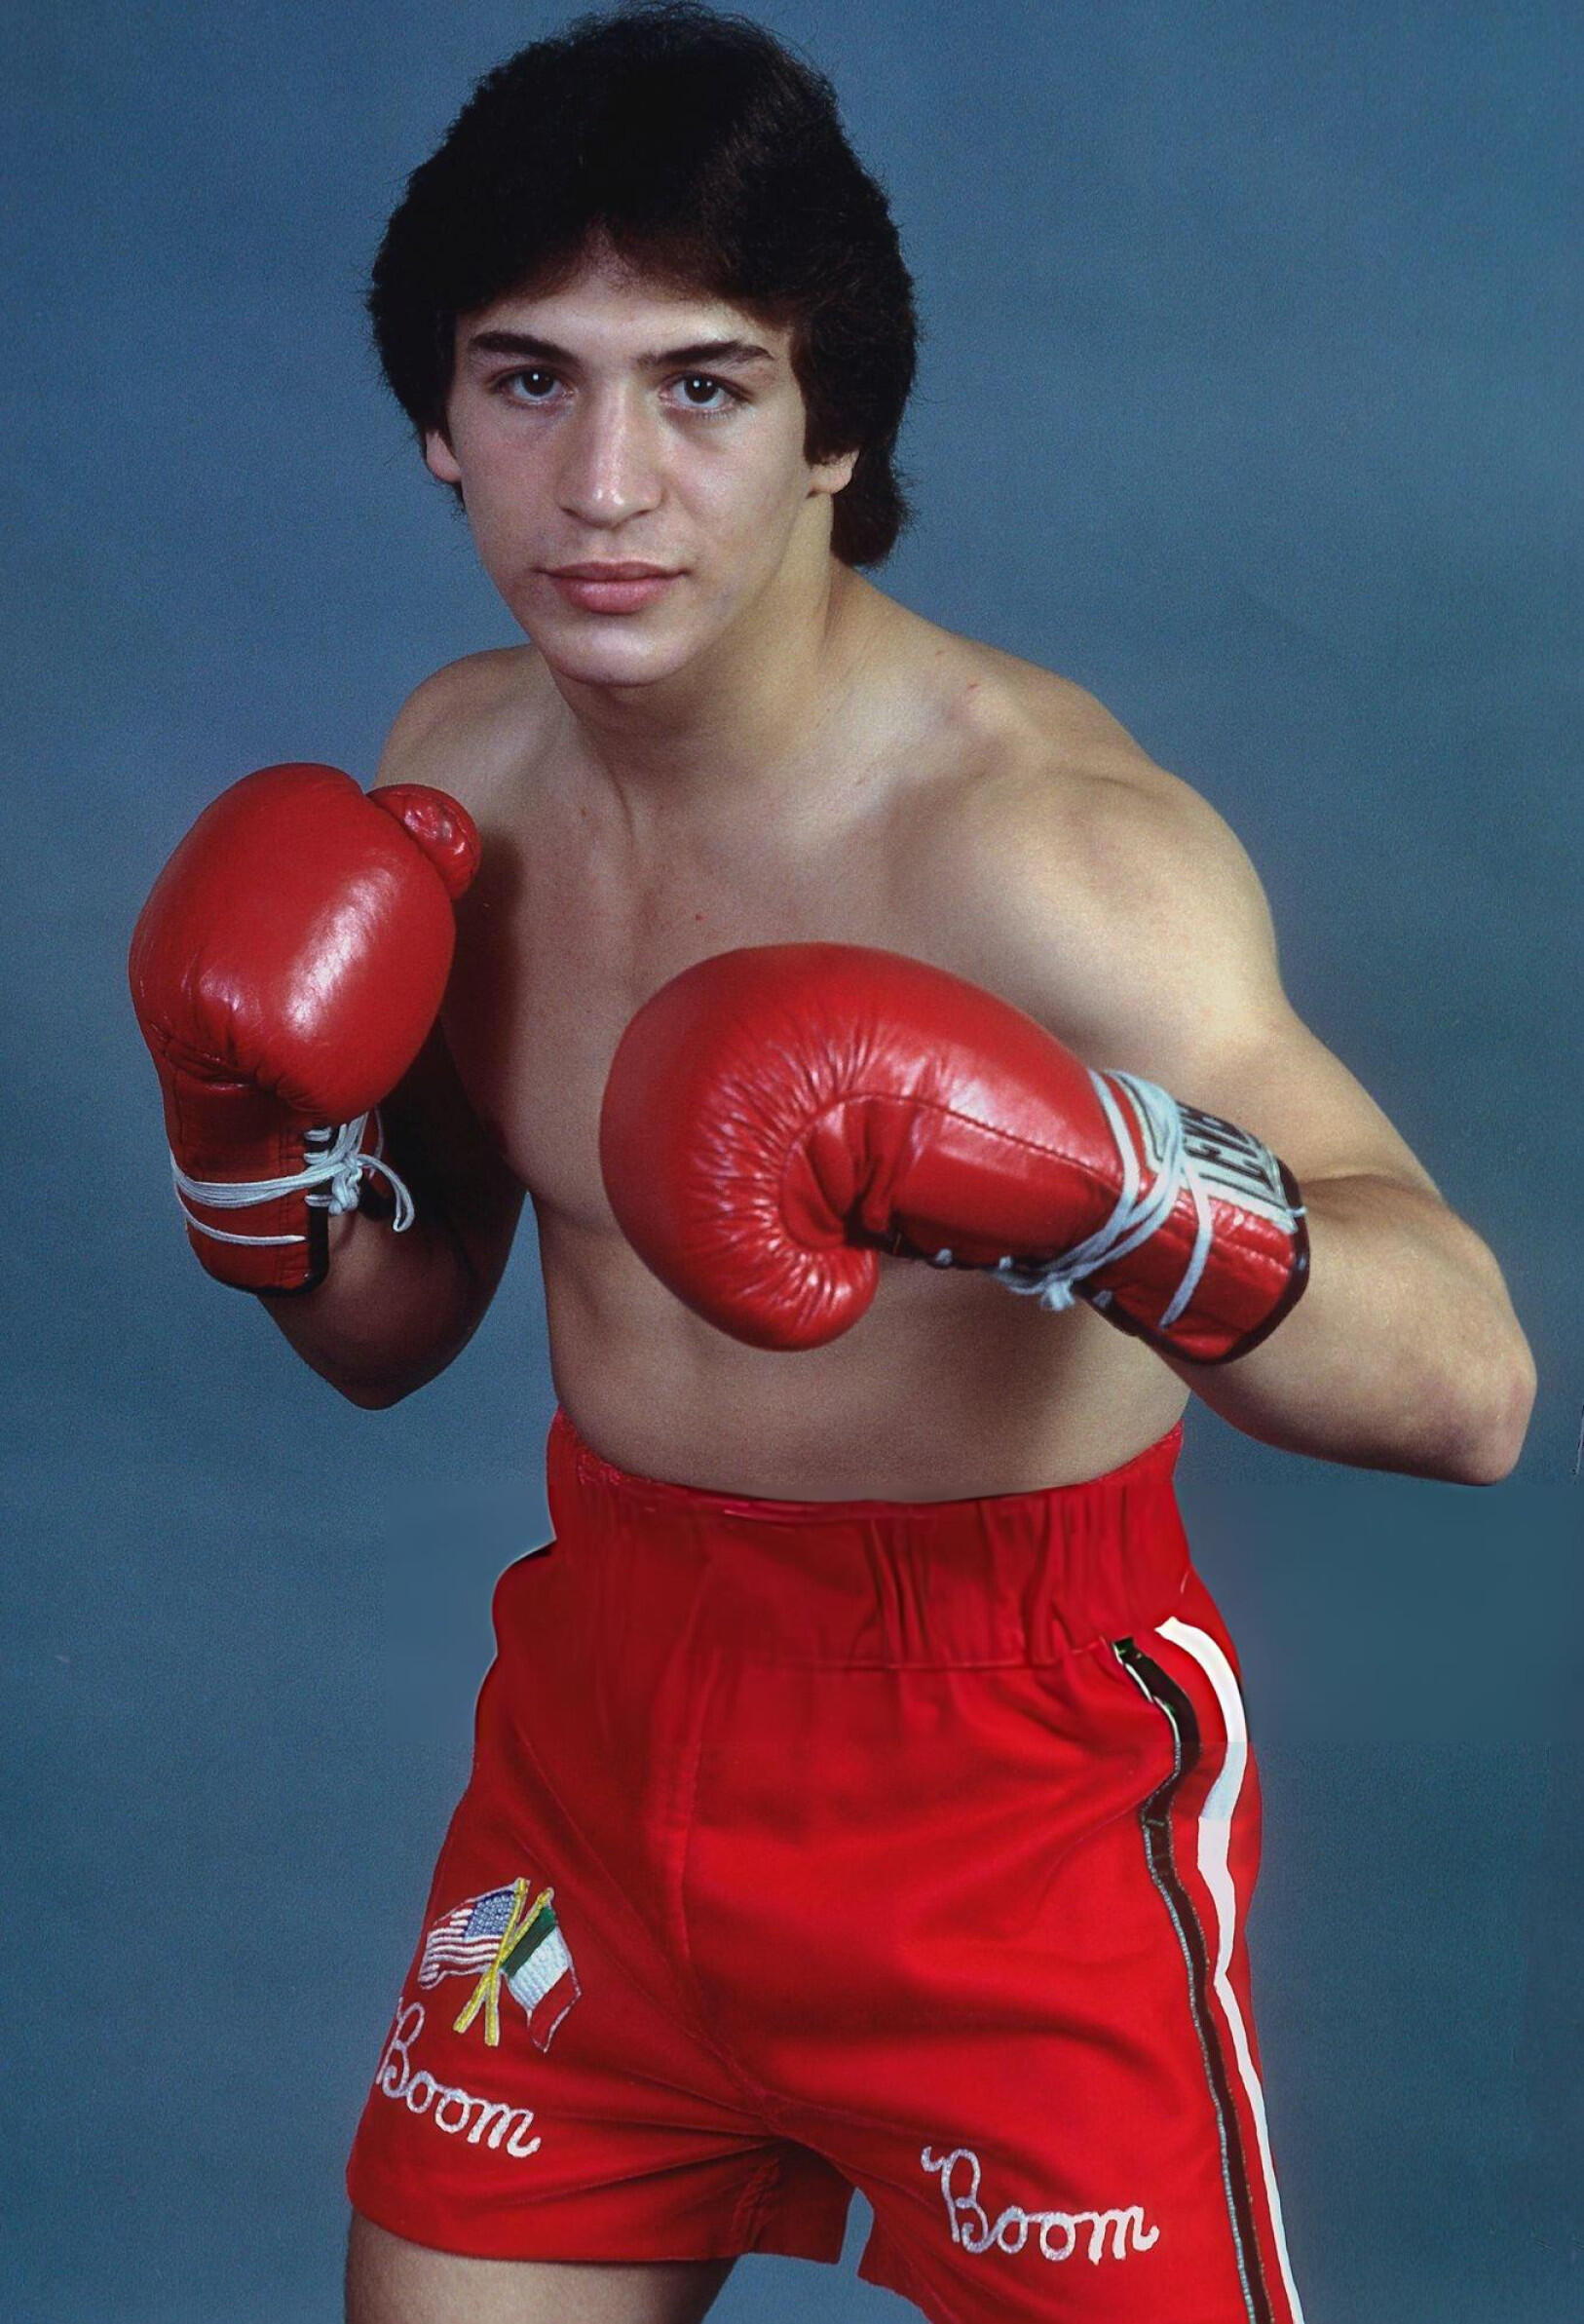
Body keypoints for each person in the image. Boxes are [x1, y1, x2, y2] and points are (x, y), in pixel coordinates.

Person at [130, 7, 1535, 2321]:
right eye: (528, 381)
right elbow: (394, 1331)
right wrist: (249, 1166)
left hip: (1009, 1786)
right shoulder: (457, 773)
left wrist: (1100, 1174)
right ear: (436, 422)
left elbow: (1471, 1383)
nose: (603, 484)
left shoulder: (1046, 854)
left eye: (701, 387)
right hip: (601, 1743)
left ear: (832, 431)